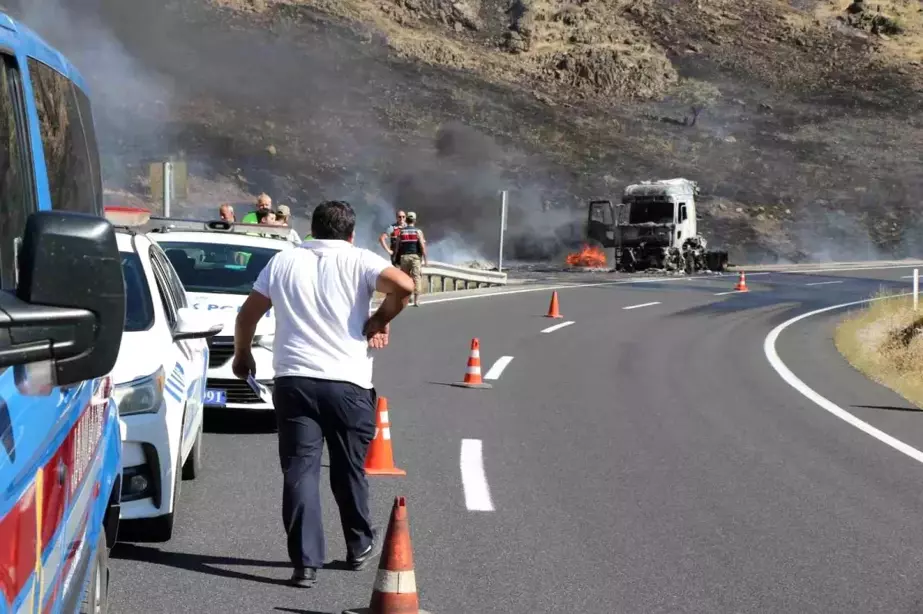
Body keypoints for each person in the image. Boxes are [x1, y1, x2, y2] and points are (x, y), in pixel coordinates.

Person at [231, 200, 414, 589]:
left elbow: (247, 315)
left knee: (300, 470)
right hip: (347, 382)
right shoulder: (360, 260)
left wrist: (242, 355)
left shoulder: (283, 261)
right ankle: (359, 545)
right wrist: (381, 318)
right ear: (351, 233)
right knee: (348, 468)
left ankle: (304, 563)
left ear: (312, 230)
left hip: (294, 381)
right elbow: (405, 285)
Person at [395, 211, 427, 307]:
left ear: (407, 219)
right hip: (415, 257)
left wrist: (395, 257)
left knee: (405, 278)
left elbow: (397, 246)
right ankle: (416, 301)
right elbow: (422, 245)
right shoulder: (418, 231)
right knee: (416, 277)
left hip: (404, 257)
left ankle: (405, 299)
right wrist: (425, 258)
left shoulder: (401, 232)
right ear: (415, 220)